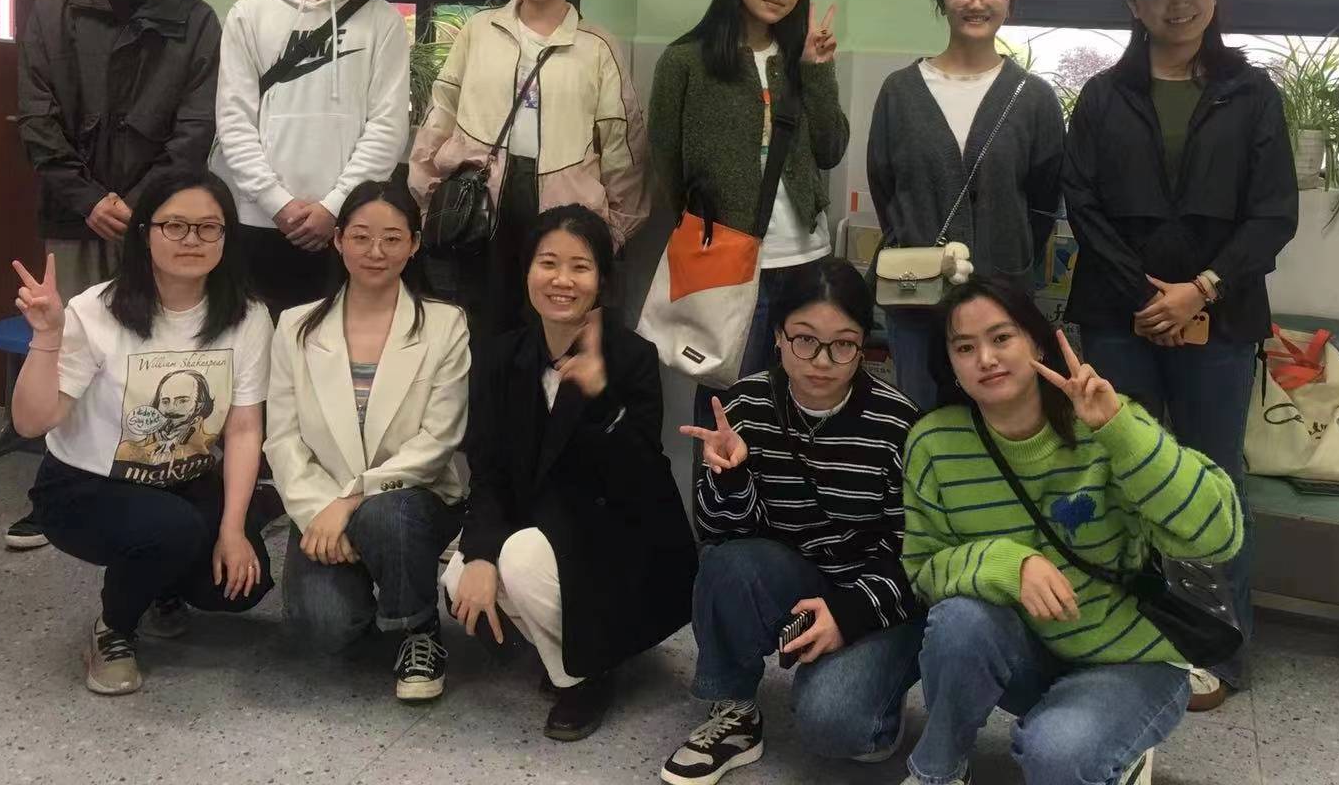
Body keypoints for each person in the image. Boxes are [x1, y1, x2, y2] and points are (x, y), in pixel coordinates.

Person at [1061, 0, 1296, 710]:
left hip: (1221, 324)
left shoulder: (1251, 94)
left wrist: (1202, 289)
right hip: (1117, 317)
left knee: (1212, 478)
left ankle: (1219, 651)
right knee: (1117, 471)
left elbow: (1274, 214)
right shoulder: (1102, 97)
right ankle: (1118, 634)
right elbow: (1082, 205)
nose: (1179, 4)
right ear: (1134, 5)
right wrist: (1146, 297)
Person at [900, 278, 1243, 785]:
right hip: (1029, 653)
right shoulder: (934, 442)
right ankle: (940, 772)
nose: (986, 359)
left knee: (1056, 754)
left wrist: (1120, 431)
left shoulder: (1104, 420)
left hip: (1133, 660)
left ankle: (1110, 745)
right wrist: (1009, 564)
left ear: (1037, 343)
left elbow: (1219, 534)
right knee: (958, 620)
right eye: (965, 348)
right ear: (949, 363)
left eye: (1002, 338)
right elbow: (924, 569)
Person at [7, 0, 221, 550]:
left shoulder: (193, 17)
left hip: (159, 221)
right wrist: (89, 196)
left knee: (152, 353)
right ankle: (58, 491)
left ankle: (153, 483)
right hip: (73, 213)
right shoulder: (53, 11)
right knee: (65, 346)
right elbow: (37, 118)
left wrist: (139, 203)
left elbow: (196, 126)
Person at [11, 171, 275, 696]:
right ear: (144, 234)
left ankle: (160, 579)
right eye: (174, 225)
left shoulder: (247, 317)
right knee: (171, 529)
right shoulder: (95, 311)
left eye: (208, 227)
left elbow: (245, 428)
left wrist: (233, 529)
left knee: (242, 587)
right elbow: (32, 422)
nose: (192, 240)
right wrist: (46, 337)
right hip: (85, 487)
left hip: (184, 482)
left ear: (227, 237)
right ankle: (113, 628)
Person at [664, 259, 923, 785]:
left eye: (843, 344)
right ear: (778, 337)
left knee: (836, 725)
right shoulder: (744, 407)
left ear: (864, 346)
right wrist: (731, 478)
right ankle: (735, 711)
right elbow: (723, 536)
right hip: (796, 577)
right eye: (805, 340)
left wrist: (847, 615)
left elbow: (917, 557)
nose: (822, 361)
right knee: (725, 563)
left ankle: (878, 703)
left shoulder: (898, 423)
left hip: (878, 598)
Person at [443, 205, 696, 741]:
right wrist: (480, 554)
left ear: (601, 279)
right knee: (459, 576)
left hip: (616, 541)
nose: (562, 280)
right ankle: (567, 648)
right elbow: (488, 471)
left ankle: (584, 675)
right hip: (538, 526)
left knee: (520, 558)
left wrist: (600, 396)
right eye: (548, 263)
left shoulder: (631, 357)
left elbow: (639, 480)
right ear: (527, 272)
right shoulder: (499, 356)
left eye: (580, 267)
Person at [265, 178, 469, 702]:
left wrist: (351, 499)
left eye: (392, 238)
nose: (375, 252)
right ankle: (375, 585)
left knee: (387, 516)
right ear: (338, 240)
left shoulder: (445, 324)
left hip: (414, 500)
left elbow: (438, 440)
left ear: (414, 244)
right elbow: (282, 440)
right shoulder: (294, 327)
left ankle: (418, 629)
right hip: (323, 502)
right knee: (324, 627)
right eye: (360, 237)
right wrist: (320, 511)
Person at [648, 0, 847, 438]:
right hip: (726, 260)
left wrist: (818, 70)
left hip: (803, 258)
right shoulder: (685, 62)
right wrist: (711, 227)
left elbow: (830, 150)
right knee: (726, 403)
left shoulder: (801, 58)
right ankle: (717, 492)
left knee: (803, 401)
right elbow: (666, 164)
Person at [410, 0, 647, 338]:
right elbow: (440, 111)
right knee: (479, 328)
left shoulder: (597, 47)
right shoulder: (479, 31)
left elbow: (622, 144)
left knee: (555, 334)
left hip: (565, 213)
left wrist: (614, 231)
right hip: (480, 208)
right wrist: (427, 197)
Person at [866, 0, 1065, 412]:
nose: (977, 2)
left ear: (1010, 0)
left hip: (1002, 301)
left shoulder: (1033, 98)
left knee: (1001, 418)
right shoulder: (900, 92)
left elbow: (1043, 202)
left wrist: (1007, 255)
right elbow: (885, 189)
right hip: (916, 299)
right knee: (919, 420)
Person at [211, 0, 411, 319]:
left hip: (347, 224)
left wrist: (334, 206)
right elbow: (234, 120)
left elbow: (388, 126)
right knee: (258, 338)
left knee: (336, 341)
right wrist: (276, 202)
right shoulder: (250, 13)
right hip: (259, 218)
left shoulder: (382, 20)